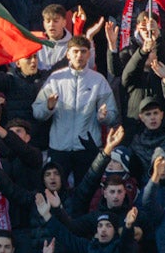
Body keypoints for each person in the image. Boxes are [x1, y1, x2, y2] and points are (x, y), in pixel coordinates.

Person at [33, 36, 119, 181]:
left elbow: (112, 113)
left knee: (87, 194)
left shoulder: (98, 80)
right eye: (75, 51)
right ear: (68, 54)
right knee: (56, 194)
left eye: (83, 51)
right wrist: (48, 107)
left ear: (89, 54)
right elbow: (37, 112)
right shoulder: (55, 79)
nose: (79, 55)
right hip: (59, 147)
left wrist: (104, 116)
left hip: (87, 148)